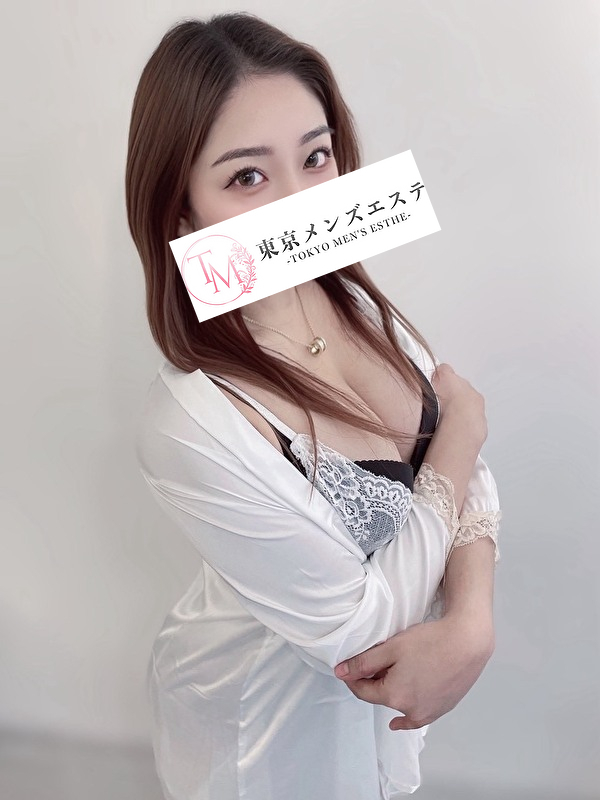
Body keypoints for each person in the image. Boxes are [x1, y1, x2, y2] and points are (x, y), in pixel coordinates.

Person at [126, 12, 502, 800]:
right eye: (248, 177)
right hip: (258, 725)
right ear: (181, 208)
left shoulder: (357, 306)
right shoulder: (192, 420)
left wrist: (471, 623)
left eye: (315, 157)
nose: (299, 204)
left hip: (381, 723)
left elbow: (472, 480)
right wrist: (463, 429)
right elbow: (361, 633)